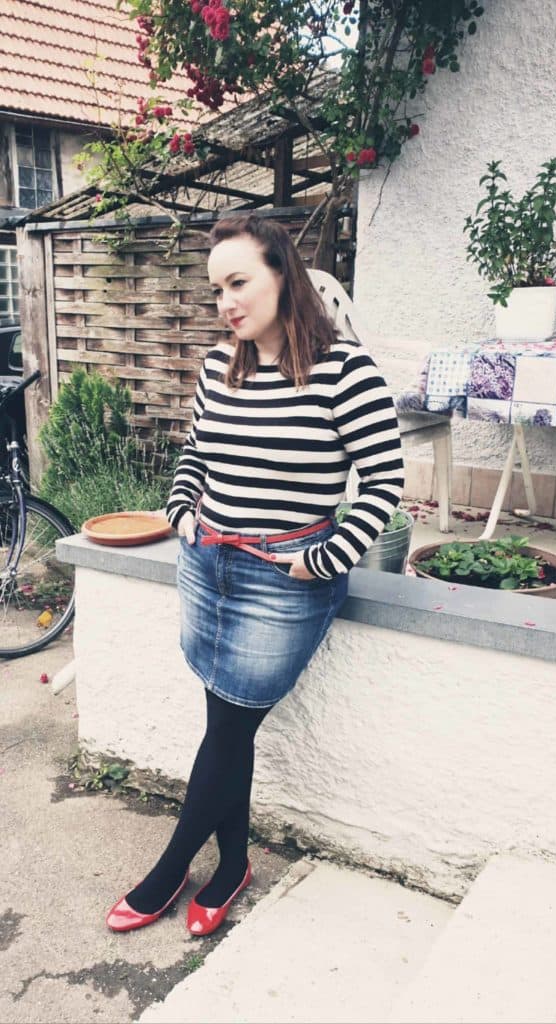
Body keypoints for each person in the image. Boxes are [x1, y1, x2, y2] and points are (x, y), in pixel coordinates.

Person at [106, 214, 404, 936]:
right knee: (226, 729)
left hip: (283, 581)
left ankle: (170, 869)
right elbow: (195, 454)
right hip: (207, 564)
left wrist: (329, 554)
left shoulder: (344, 371)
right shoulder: (220, 366)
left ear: (282, 275)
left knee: (229, 728)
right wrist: (180, 508)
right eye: (217, 289)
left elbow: (384, 479)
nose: (226, 302)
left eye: (238, 282)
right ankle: (233, 866)